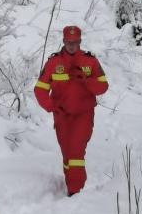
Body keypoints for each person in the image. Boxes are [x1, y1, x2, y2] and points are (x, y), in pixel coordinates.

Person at [33, 26, 109, 197]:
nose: (72, 46)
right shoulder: (54, 62)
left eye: (75, 42)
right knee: (67, 153)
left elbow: (103, 86)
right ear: (64, 41)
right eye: (69, 42)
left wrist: (87, 81)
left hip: (84, 114)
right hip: (62, 116)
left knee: (75, 152)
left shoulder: (90, 61)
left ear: (80, 41)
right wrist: (51, 106)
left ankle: (76, 193)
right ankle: (71, 185)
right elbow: (40, 89)